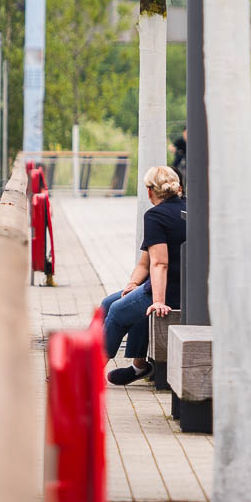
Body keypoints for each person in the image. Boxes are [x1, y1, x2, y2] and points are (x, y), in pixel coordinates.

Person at [99, 165, 186, 385]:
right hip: (187, 287)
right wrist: (132, 284)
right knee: (110, 302)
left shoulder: (155, 216)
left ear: (149, 191)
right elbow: (146, 262)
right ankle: (139, 367)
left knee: (118, 311)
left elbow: (160, 263)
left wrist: (158, 301)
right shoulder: (189, 210)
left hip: (171, 291)